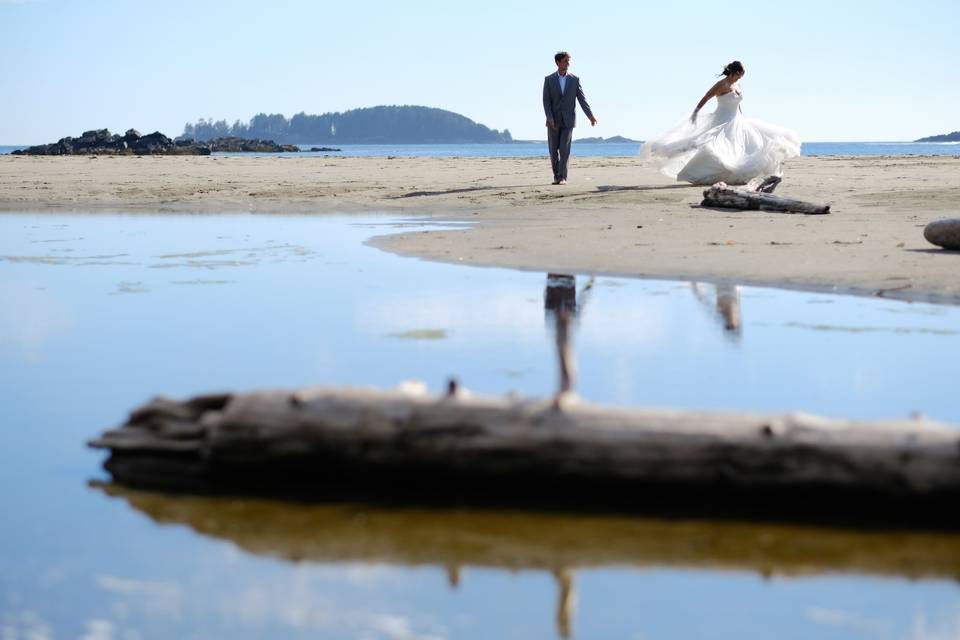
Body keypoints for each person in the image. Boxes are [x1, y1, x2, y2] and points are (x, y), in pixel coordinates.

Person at [639, 61, 801, 185]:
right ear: (733, 73)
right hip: (721, 118)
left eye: (742, 76)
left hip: (736, 119)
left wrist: (742, 116)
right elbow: (705, 97)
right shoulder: (721, 85)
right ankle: (693, 168)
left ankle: (729, 173)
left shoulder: (737, 84)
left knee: (746, 144)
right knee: (706, 143)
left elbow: (738, 103)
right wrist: (696, 112)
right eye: (739, 75)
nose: (740, 78)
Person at [542, 51, 597, 185]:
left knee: (564, 150)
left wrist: (590, 115)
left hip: (568, 120)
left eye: (568, 61)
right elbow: (546, 101)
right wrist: (549, 117)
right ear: (558, 62)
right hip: (553, 121)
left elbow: (582, 99)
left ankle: (563, 177)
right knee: (553, 151)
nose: (568, 63)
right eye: (565, 61)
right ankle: (556, 176)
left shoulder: (574, 80)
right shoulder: (549, 80)